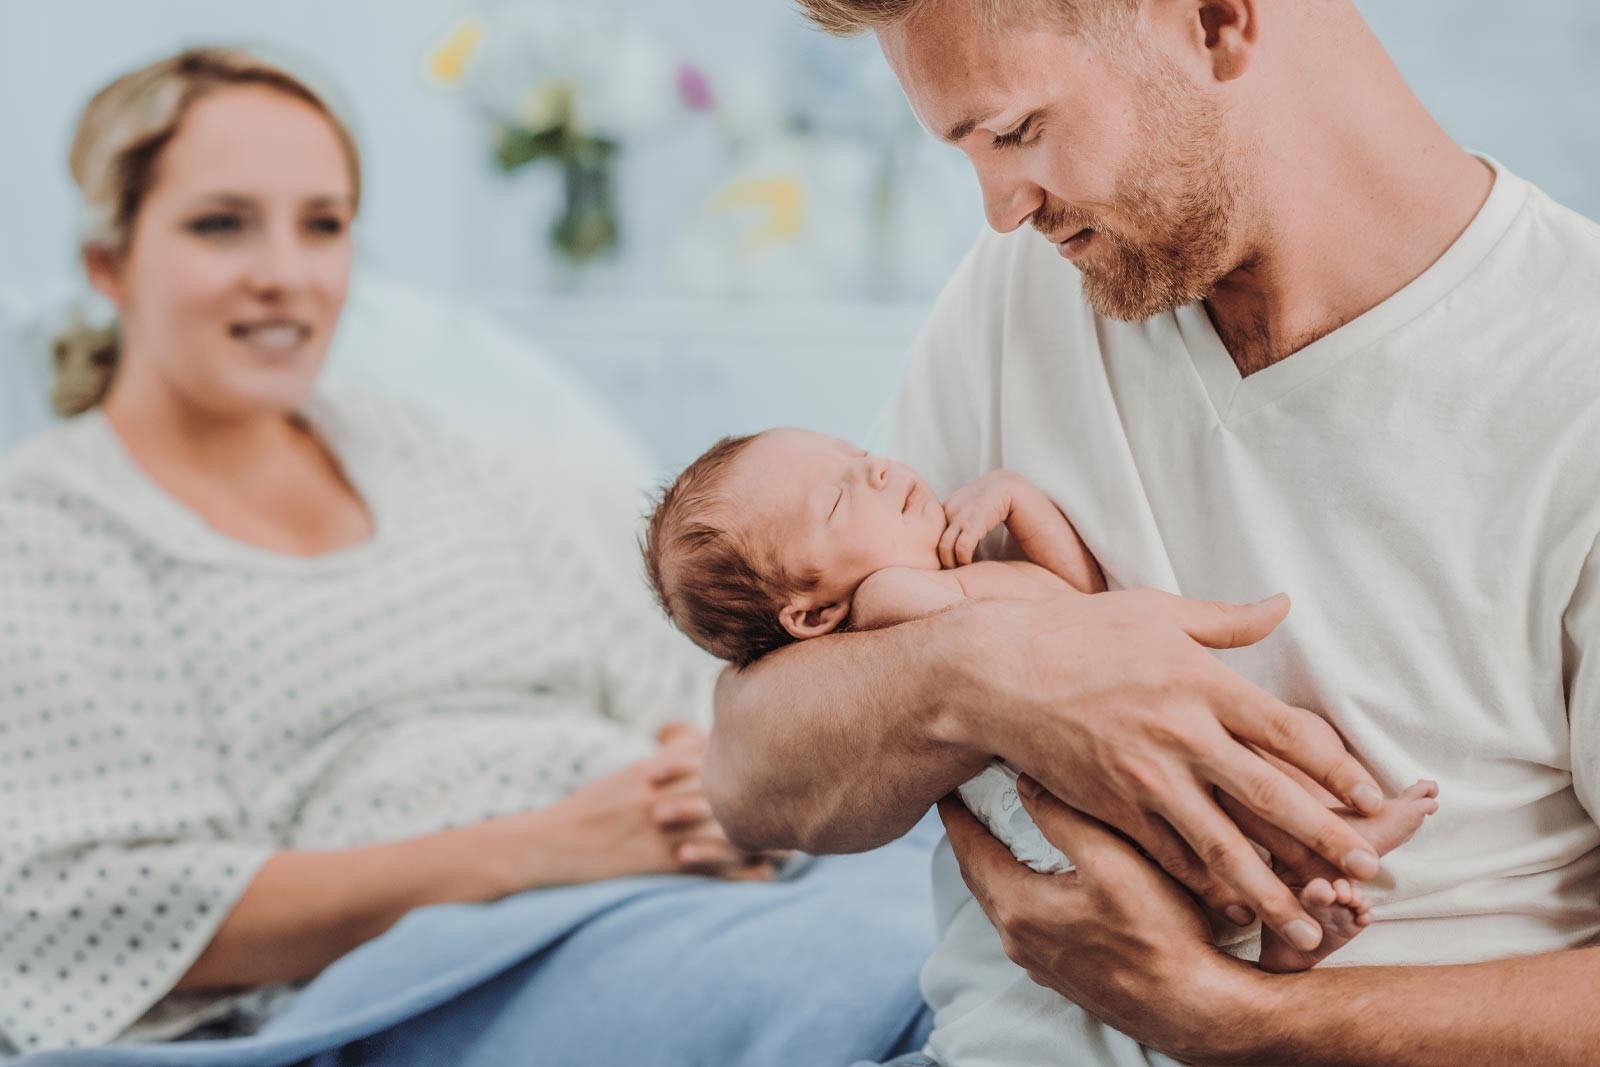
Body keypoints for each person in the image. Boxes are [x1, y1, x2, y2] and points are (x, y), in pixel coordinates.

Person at [705, 0, 1600, 1063]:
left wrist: (1236, 1021)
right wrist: (997, 670)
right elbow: (753, 764)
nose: (999, 208)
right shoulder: (1029, 287)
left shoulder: (1568, 381)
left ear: (1218, 22)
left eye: (1015, 131)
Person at [0, 48, 932, 1060]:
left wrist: (707, 781)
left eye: (324, 223)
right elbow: (95, 907)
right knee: (894, 993)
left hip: (716, 873)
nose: (286, 272)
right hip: (454, 956)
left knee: (1009, 938)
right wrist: (546, 849)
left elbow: (679, 673)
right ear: (109, 262)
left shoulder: (421, 449)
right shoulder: (52, 523)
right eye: (221, 223)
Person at [645, 426, 1438, 982]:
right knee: (1194, 807)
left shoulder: (940, 569)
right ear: (812, 616)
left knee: (1228, 784)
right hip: (1050, 806)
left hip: (1093, 765)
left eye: (855, 454)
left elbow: (1072, 594)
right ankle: (1305, 891)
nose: (880, 470)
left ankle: (1287, 933)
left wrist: (1020, 502)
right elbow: (1029, 642)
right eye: (838, 500)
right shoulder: (891, 597)